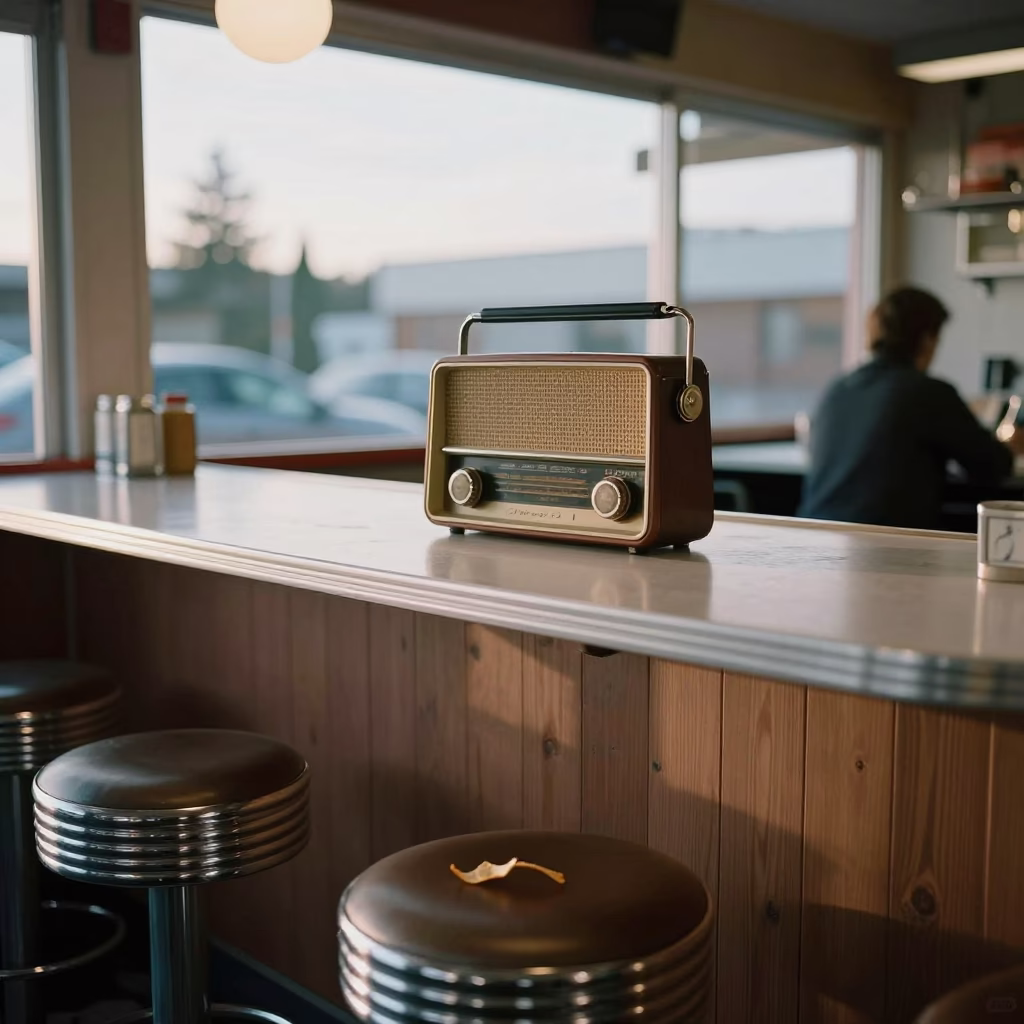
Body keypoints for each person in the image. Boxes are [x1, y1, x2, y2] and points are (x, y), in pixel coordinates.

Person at [799, 286, 1024, 530]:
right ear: (928, 339)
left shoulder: (838, 388)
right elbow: (991, 465)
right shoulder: (928, 392)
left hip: (817, 540)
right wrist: (1011, 447)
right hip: (884, 548)